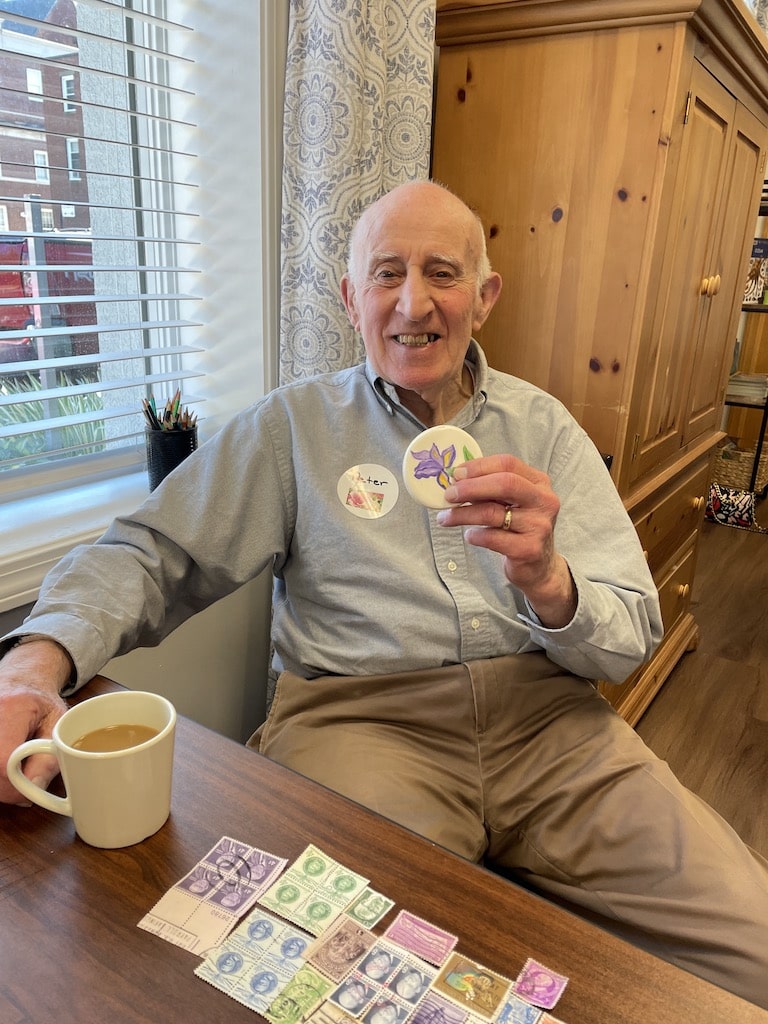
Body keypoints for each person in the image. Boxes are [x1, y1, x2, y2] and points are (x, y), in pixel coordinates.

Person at [0, 180, 767, 1008]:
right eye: (386, 273)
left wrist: (551, 581)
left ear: (484, 297)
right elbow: (153, 552)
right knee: (349, 982)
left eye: (442, 273)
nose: (413, 302)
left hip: (554, 729)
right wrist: (34, 666)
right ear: (350, 296)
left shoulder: (544, 429)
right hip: (361, 725)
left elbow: (630, 638)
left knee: (753, 946)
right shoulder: (293, 429)